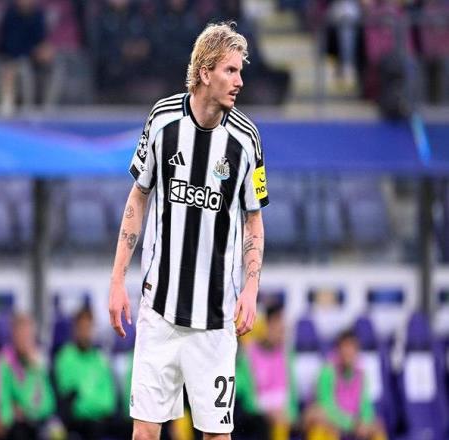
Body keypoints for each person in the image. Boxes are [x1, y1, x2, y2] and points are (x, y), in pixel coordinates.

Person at [108, 21, 269, 440]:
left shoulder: (246, 139)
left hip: (215, 323)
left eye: (240, 71)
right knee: (145, 433)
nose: (240, 81)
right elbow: (138, 197)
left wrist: (251, 288)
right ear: (204, 72)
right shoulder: (162, 120)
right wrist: (117, 281)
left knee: (216, 436)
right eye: (230, 70)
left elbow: (253, 219)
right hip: (159, 314)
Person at [303, 330, 386, 440]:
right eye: (345, 347)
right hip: (334, 421)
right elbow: (326, 406)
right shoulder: (327, 372)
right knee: (319, 419)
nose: (348, 352)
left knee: (377, 426)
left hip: (353, 423)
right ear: (338, 350)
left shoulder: (361, 375)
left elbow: (366, 406)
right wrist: (352, 424)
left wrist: (365, 423)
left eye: (352, 348)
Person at [53, 306, 116, 440]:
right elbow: (70, 397)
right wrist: (94, 405)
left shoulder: (100, 358)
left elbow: (109, 400)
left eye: (88, 327)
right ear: (75, 329)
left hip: (101, 420)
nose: (85, 332)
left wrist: (92, 405)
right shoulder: (65, 357)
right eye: (81, 328)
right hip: (78, 423)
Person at [245, 302, 298, 440]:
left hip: (283, 414)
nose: (281, 330)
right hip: (258, 415)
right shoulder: (249, 353)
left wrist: (290, 415)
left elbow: (292, 394)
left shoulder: (287, 354)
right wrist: (266, 412)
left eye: (282, 327)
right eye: (276, 325)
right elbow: (247, 398)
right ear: (266, 326)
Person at [3, 313, 55, 440]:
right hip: (15, 424)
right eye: (20, 333)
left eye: (27, 334)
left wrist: (34, 370)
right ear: (13, 334)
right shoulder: (4, 361)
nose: (24, 338)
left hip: (38, 420)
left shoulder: (39, 363)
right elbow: (5, 398)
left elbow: (48, 403)